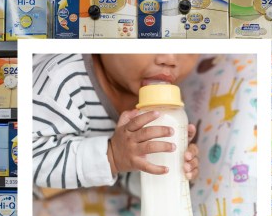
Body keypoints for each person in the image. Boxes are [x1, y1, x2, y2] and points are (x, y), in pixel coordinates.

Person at [32, 54, 200, 193]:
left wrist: (169, 169)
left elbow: (126, 174)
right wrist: (111, 156)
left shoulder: (165, 105)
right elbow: (27, 158)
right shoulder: (61, 80)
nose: (170, 59)